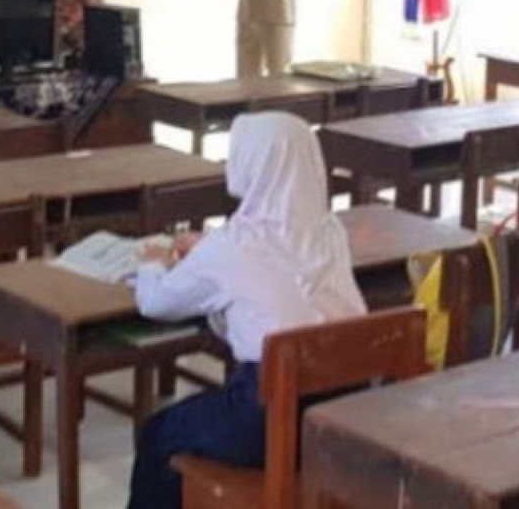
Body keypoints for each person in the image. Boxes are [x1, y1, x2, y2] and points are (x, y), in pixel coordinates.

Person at [126, 112, 366, 509]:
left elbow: (155, 303)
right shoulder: (330, 233)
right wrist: (209, 248)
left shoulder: (230, 247)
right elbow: (279, 274)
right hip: (342, 414)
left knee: (159, 433)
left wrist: (153, 261)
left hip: (267, 423)